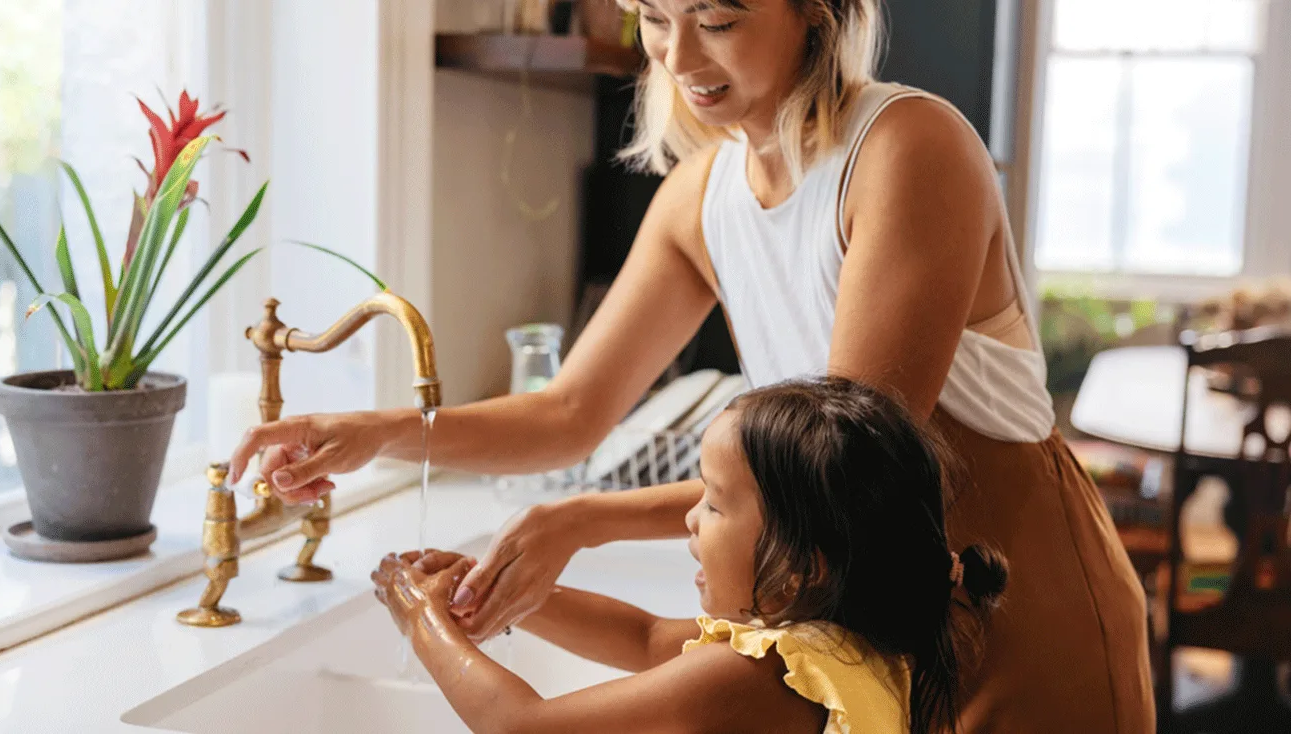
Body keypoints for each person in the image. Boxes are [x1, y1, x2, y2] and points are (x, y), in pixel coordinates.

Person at [232, 0, 1154, 729]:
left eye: (717, 19)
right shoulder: (697, 197)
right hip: (851, 619)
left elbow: (837, 477)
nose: (678, 56)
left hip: (1012, 604)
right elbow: (567, 414)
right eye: (654, 18)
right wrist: (377, 432)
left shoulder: (908, 150)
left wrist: (581, 518)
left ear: (818, 11)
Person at [372, 378, 1009, 734]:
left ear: (803, 564)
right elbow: (645, 637)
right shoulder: (857, 650)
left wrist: (420, 618)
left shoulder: (759, 677)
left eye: (715, 502)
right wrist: (494, 591)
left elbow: (520, 727)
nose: (689, 517)